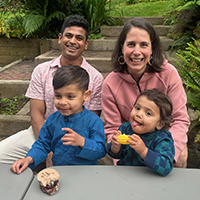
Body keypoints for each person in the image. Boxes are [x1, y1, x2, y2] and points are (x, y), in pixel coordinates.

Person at [0, 15, 104, 167]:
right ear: (60, 38)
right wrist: (47, 152)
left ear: (86, 44)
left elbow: (93, 131)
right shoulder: (42, 71)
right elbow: (36, 116)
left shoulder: (95, 77)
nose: (73, 41)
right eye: (68, 35)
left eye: (79, 38)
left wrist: (80, 142)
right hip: (42, 130)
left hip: (77, 138)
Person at [101, 17, 190, 168]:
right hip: (130, 141)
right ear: (122, 48)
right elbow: (112, 128)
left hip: (162, 139)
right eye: (131, 44)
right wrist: (120, 159)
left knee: (181, 156)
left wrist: (166, 156)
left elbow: (180, 119)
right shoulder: (111, 83)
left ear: (152, 49)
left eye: (143, 45)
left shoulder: (168, 74)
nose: (137, 52)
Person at [11, 65, 106, 174]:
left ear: (86, 95)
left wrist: (82, 142)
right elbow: (43, 144)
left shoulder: (93, 121)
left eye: (70, 96)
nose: (62, 102)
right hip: (59, 172)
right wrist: (29, 158)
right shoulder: (52, 120)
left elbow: (101, 150)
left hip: (87, 173)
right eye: (58, 96)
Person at [107, 88, 175, 176]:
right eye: (137, 108)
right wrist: (115, 147)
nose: (139, 114)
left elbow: (166, 167)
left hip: (149, 178)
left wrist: (143, 151)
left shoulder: (163, 139)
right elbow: (115, 155)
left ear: (160, 124)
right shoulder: (125, 128)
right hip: (124, 175)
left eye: (148, 113)